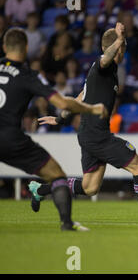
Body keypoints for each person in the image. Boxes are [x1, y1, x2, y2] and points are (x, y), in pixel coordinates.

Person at [32, 23, 138, 224]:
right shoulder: (104, 65)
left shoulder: (100, 73)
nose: (124, 54)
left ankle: (40, 189)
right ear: (114, 48)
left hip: (89, 134)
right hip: (96, 135)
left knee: (89, 188)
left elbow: (79, 98)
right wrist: (120, 39)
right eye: (122, 49)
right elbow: (105, 59)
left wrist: (60, 117)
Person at [0, 28, 107, 231]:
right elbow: (63, 103)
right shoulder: (27, 75)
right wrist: (92, 108)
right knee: (57, 176)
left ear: (4, 47)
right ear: (26, 48)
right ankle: (67, 224)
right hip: (10, 138)